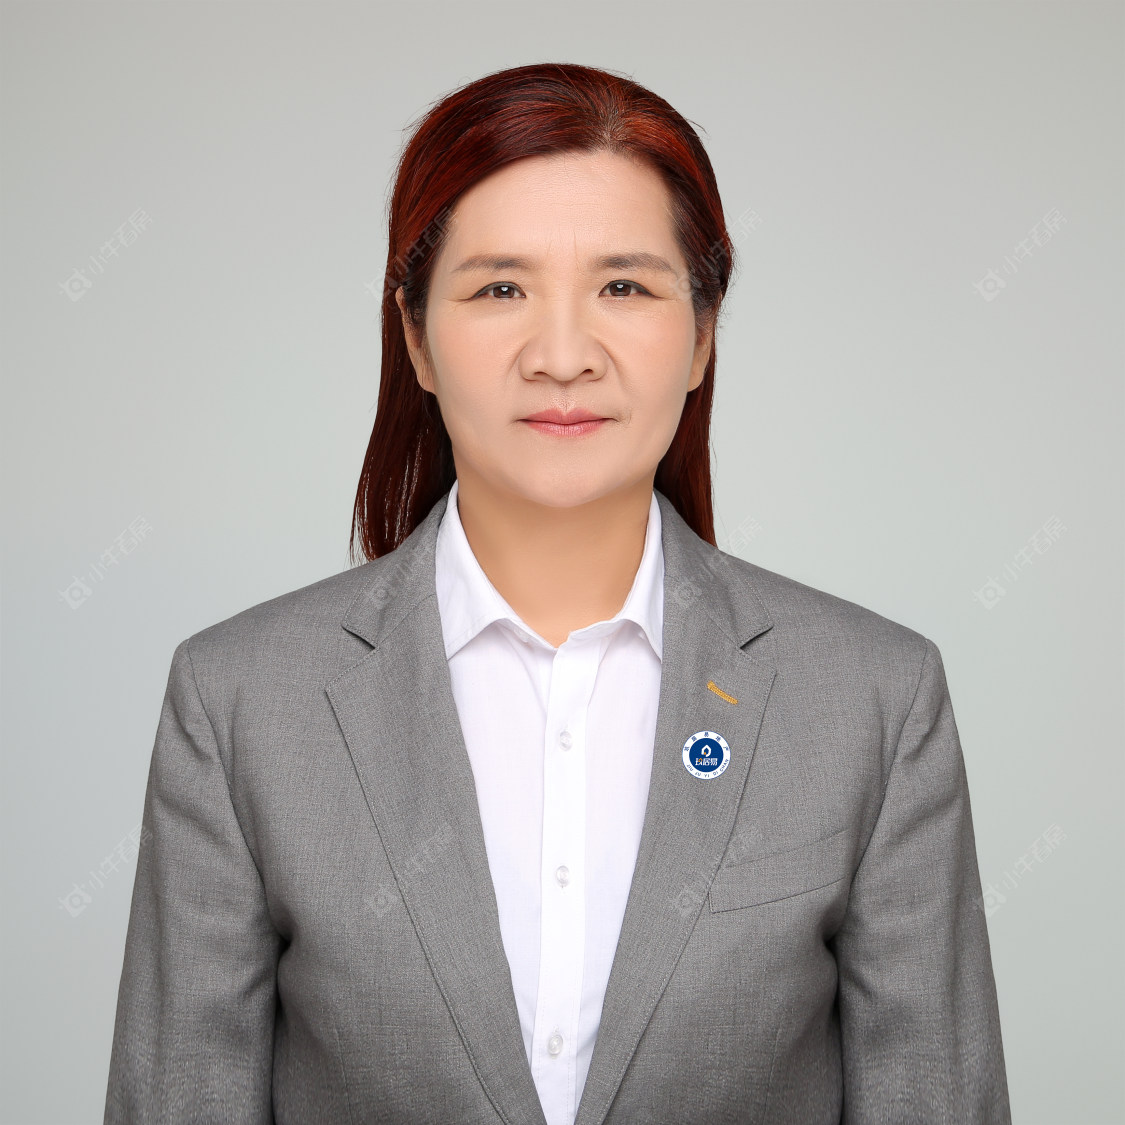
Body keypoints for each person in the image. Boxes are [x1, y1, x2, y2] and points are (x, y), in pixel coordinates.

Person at [104, 61, 1012, 1125]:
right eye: (500, 288)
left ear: (702, 334)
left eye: (624, 287)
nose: (564, 355)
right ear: (416, 337)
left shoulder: (873, 699)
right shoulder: (240, 703)